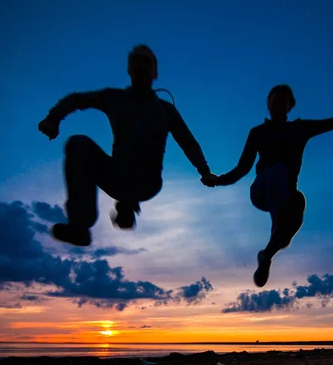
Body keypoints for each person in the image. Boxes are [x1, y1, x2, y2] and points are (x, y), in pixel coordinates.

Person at [202, 85, 333, 287]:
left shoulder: (300, 129)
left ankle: (267, 254)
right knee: (278, 171)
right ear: (268, 106)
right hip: (261, 192)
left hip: (286, 196)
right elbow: (242, 169)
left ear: (290, 106)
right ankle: (277, 224)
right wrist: (217, 180)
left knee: (298, 201)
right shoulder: (258, 133)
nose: (278, 105)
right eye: (274, 101)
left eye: (283, 102)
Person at [38, 44, 217, 247]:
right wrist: (54, 118)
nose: (141, 64)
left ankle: (127, 205)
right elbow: (77, 99)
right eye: (135, 60)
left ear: (155, 72)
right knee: (78, 144)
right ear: (129, 68)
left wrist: (205, 171)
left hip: (148, 182)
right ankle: (80, 227)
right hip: (117, 175)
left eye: (147, 61)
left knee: (138, 157)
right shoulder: (114, 98)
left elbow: (188, 142)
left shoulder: (166, 111)